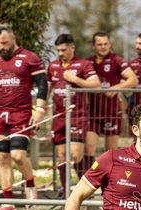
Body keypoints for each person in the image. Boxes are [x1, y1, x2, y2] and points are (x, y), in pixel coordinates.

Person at [0, 23, 46, 210]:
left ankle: (30, 185)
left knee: (18, 155)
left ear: (13, 39)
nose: (1, 47)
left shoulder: (30, 58)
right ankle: (8, 201)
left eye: (5, 43)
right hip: (0, 117)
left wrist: (39, 110)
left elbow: (42, 84)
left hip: (21, 115)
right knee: (2, 157)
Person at [47, 34, 101, 197]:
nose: (60, 53)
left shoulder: (83, 64)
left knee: (76, 155)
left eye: (64, 50)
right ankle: (65, 193)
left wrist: (75, 79)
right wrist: (39, 110)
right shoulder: (53, 65)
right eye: (58, 50)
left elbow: (96, 85)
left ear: (72, 47)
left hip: (77, 115)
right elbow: (48, 89)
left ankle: (85, 191)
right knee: (62, 156)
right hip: (59, 116)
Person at [85, 31, 138, 164]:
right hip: (92, 113)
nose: (103, 47)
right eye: (99, 44)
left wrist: (117, 88)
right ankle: (89, 176)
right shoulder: (88, 62)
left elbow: (133, 80)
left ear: (109, 44)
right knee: (88, 149)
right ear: (93, 46)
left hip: (112, 112)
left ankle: (109, 177)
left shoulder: (116, 60)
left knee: (110, 153)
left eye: (105, 44)